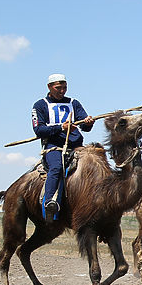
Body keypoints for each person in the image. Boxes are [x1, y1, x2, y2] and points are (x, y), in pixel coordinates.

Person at [31, 74, 94, 219]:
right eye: (58, 88)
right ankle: (50, 203)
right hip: (54, 147)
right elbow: (38, 130)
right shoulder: (40, 105)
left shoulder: (74, 102)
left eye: (64, 88)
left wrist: (88, 123)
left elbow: (84, 125)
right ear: (49, 87)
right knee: (57, 167)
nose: (62, 91)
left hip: (77, 146)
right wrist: (61, 128)